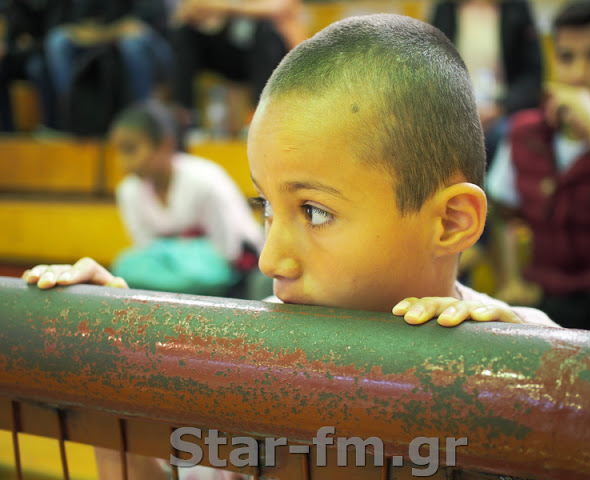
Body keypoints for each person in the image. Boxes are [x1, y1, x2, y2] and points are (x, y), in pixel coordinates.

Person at [24, 13, 558, 478]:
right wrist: (112, 382)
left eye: (315, 212)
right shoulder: (250, 371)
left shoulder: (540, 358)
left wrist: (519, 383)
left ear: (449, 222)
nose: (270, 260)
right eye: (267, 208)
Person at [487, 0, 590, 340]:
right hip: (547, 303)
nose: (579, 74)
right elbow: (503, 214)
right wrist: (511, 277)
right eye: (567, 57)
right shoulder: (525, 133)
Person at [109, 100, 265, 296]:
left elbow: (228, 252)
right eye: (119, 151)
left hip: (234, 275)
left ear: (166, 144)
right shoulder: (128, 191)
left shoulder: (205, 180)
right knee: (125, 265)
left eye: (131, 149)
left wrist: (179, 255)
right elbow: (147, 251)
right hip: (171, 277)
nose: (123, 162)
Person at [430, 0, 543, 166]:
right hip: (452, 107)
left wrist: (499, 108)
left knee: (496, 140)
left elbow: (531, 76)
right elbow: (430, 69)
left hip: (502, 109)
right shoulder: (445, 9)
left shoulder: (516, 9)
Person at [169, 0, 306, 132]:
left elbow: (278, 7)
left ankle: (259, 115)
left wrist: (227, 7)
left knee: (264, 31)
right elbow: (187, 11)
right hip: (230, 49)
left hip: (271, 54)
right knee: (184, 33)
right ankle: (186, 116)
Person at [44, 0, 174, 129]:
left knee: (133, 45)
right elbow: (72, 25)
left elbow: (138, 26)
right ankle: (73, 113)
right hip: (106, 38)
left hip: (155, 47)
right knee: (57, 41)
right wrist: (108, 33)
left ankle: (141, 118)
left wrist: (100, 33)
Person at [0, 0, 63, 131]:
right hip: (20, 57)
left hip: (46, 59)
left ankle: (50, 125)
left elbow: (50, 42)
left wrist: (24, 47)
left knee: (37, 67)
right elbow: (12, 40)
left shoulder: (54, 5)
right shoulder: (14, 6)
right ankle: (6, 130)